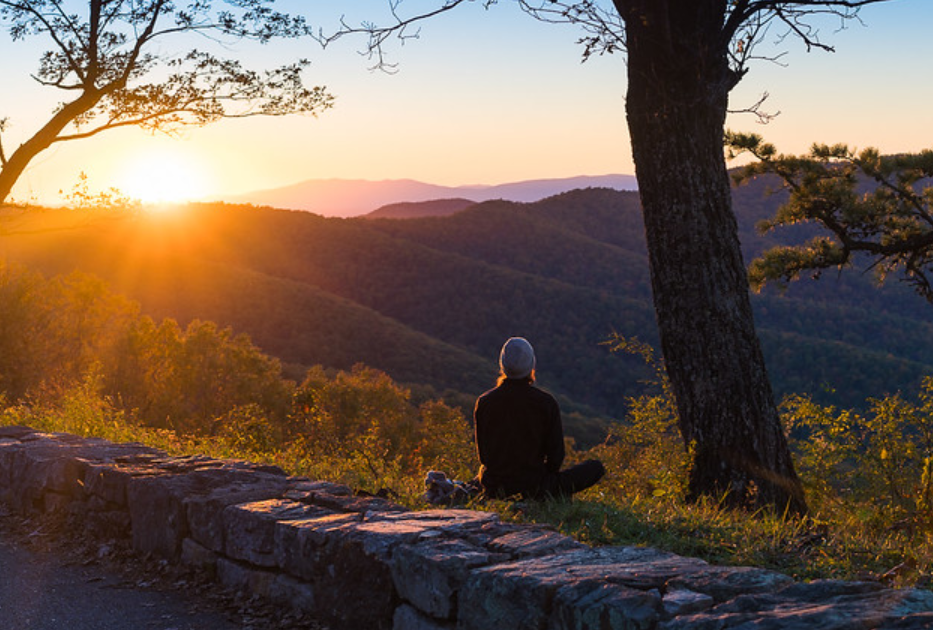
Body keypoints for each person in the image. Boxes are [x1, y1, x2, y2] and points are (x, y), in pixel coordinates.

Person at [473, 337, 605, 500]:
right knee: (595, 468)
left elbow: (484, 457)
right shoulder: (546, 403)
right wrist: (541, 479)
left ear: (502, 365)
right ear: (531, 366)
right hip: (535, 487)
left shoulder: (485, 402)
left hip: (495, 487)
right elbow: (556, 458)